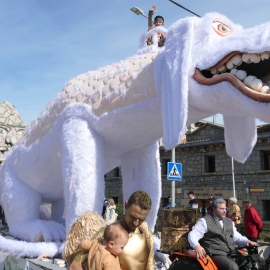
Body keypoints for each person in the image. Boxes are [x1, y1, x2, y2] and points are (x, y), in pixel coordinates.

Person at [66, 190, 155, 270]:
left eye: (141, 219)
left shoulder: (147, 235)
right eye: (133, 217)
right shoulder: (108, 233)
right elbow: (77, 262)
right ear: (126, 205)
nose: (136, 223)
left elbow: (150, 265)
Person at [188, 198, 258, 270]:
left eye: (226, 208)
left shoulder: (229, 221)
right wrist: (196, 246)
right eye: (222, 209)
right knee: (233, 268)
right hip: (216, 253)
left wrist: (247, 241)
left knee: (248, 264)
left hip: (231, 251)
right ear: (214, 209)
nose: (225, 211)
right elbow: (193, 234)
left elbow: (236, 236)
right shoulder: (204, 221)